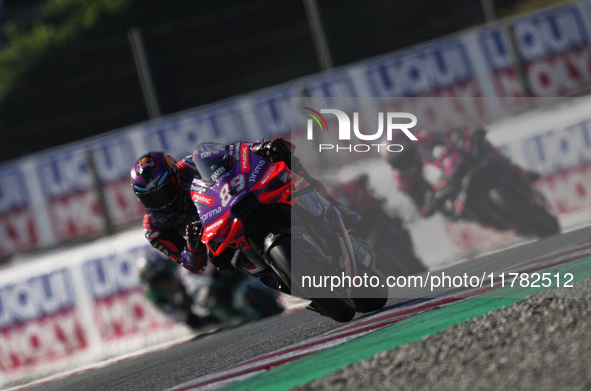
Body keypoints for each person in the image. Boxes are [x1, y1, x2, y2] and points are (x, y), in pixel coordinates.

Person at [130, 138, 360, 276]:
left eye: (163, 193)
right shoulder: (155, 228)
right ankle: (278, 274)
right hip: (220, 239)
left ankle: (331, 204)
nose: (162, 203)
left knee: (285, 158)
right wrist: (192, 245)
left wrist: (262, 147)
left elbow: (234, 153)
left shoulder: (189, 165)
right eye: (151, 200)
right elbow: (193, 266)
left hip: (234, 203)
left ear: (173, 175)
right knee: (230, 266)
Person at [381, 127, 539, 218]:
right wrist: (429, 204)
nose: (404, 163)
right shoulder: (402, 181)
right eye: (398, 162)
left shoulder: (425, 138)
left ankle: (518, 171)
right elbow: (420, 208)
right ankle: (490, 218)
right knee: (456, 214)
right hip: (447, 191)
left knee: (481, 144)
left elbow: (450, 136)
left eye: (405, 156)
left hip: (458, 167)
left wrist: (463, 137)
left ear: (410, 147)